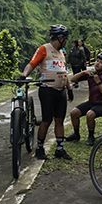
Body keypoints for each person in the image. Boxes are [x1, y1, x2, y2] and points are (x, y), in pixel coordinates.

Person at [20, 24, 74, 160]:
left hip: (61, 91)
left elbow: (64, 72)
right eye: (65, 38)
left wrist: (69, 88)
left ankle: (60, 149)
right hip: (47, 90)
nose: (66, 41)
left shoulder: (62, 53)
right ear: (60, 38)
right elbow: (31, 64)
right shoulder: (44, 49)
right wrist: (24, 75)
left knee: (60, 120)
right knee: (46, 120)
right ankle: (39, 148)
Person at [66, 53, 102, 146]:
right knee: (73, 113)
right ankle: (76, 134)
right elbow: (73, 80)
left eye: (101, 62)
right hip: (91, 102)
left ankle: (91, 136)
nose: (98, 63)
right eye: (97, 61)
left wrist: (98, 82)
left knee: (90, 114)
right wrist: (83, 72)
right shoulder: (90, 74)